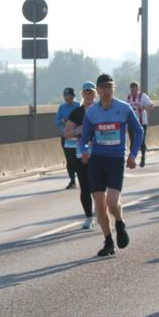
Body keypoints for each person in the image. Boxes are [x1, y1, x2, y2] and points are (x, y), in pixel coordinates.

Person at [78, 74, 143, 257]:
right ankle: (108, 242)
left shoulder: (124, 108)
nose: (105, 92)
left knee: (112, 203)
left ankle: (120, 222)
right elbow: (83, 140)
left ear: (113, 89)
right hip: (97, 161)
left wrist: (132, 155)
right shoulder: (91, 112)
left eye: (109, 88)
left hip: (116, 160)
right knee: (100, 206)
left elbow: (138, 131)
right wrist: (83, 150)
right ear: (97, 90)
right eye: (102, 88)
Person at [64, 82, 97, 229]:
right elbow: (67, 133)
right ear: (82, 94)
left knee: (98, 186)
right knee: (85, 186)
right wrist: (78, 131)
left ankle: (101, 211)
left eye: (91, 93)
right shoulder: (76, 112)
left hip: (99, 153)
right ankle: (89, 217)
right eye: (86, 93)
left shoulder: (100, 110)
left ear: (95, 94)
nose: (89, 95)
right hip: (81, 153)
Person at [125, 82, 154, 168]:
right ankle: (132, 158)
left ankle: (143, 158)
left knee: (142, 141)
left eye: (135, 90)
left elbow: (151, 106)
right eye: (132, 90)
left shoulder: (142, 96)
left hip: (142, 122)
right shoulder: (128, 97)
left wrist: (143, 107)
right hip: (131, 122)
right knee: (132, 141)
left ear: (138, 89)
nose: (133, 92)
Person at [55, 87, 80, 187]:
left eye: (69, 96)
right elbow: (56, 122)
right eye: (65, 96)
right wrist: (62, 121)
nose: (67, 98)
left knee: (78, 158)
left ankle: (82, 178)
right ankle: (72, 181)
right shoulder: (62, 107)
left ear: (73, 96)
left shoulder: (79, 106)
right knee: (69, 160)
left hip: (78, 136)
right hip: (66, 137)